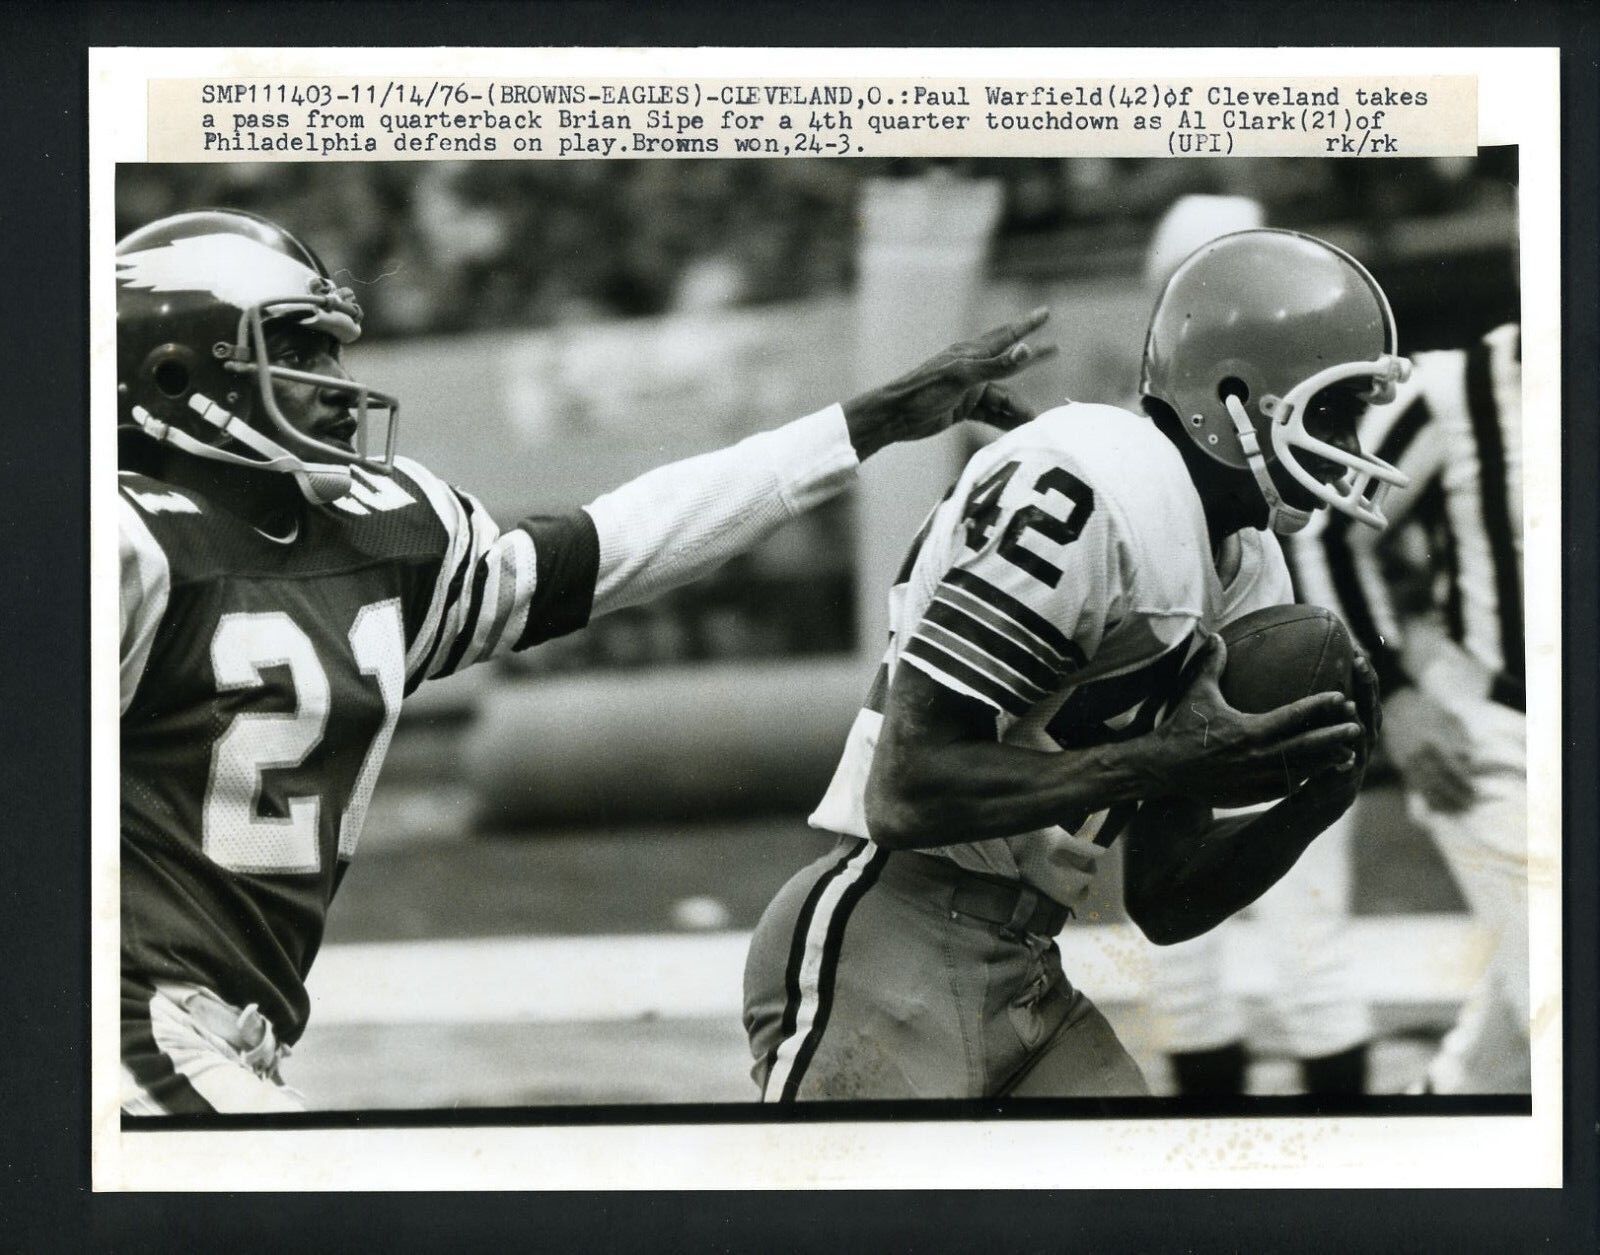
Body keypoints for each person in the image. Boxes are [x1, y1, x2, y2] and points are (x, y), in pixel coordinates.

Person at [116, 208, 1053, 1114]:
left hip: (220, 1034)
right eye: (296, 347)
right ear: (175, 373)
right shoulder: (123, 544)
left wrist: (866, 423)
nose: (332, 378)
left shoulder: (375, 533)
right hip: (122, 1027)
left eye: (332, 347)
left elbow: (620, 543)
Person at [744, 227, 1403, 1101]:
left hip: (1024, 963)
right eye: (1333, 409)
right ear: (1234, 395)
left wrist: (1319, 797)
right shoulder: (1087, 482)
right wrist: (1169, 758)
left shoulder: (1249, 566)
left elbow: (1165, 902)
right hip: (885, 938)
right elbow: (907, 789)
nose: (1352, 438)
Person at [1137, 196, 1375, 1098]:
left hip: (1283, 678)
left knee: (1295, 951)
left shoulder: (1300, 407)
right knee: (1203, 968)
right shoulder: (1188, 421)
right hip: (1209, 694)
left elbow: (1348, 552)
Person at [1288, 323, 1527, 1094]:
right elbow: (1327, 529)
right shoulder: (1462, 389)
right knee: (1568, 1001)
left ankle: (1425, 1126)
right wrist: (1393, 687)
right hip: (1495, 739)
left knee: (1512, 1049)